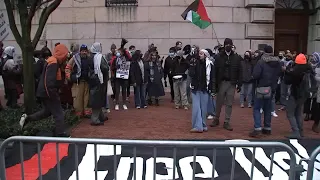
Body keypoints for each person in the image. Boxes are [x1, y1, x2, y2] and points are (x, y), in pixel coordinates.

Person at [19, 44, 70, 137]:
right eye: (65, 54)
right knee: (58, 113)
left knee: (47, 111)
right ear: (62, 54)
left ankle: (27, 118)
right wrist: (54, 95)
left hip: (44, 92)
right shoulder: (53, 63)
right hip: (48, 92)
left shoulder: (53, 61)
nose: (66, 56)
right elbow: (49, 81)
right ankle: (60, 134)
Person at [210, 38, 242, 131]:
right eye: (226, 44)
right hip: (221, 82)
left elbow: (240, 71)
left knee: (229, 103)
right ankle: (216, 118)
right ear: (224, 46)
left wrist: (239, 84)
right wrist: (214, 85)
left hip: (231, 83)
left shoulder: (236, 57)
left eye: (229, 44)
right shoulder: (219, 57)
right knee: (219, 102)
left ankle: (227, 121)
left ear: (232, 46)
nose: (228, 46)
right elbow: (215, 71)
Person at [249, 45, 281, 137]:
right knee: (268, 108)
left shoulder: (261, 62)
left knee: (257, 108)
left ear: (264, 52)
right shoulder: (277, 62)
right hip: (272, 87)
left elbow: (256, 74)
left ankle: (257, 128)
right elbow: (279, 73)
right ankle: (267, 128)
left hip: (261, 87)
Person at [284, 53, 313, 139]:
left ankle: (295, 131)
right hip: (304, 94)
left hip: (295, 94)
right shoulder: (308, 70)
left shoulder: (296, 71)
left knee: (290, 113)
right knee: (298, 113)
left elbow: (287, 81)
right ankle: (300, 131)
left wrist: (287, 71)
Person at [189, 49, 215, 133]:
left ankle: (203, 125)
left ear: (205, 55)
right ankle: (198, 126)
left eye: (201, 54)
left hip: (205, 89)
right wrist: (192, 66)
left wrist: (212, 89)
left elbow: (212, 78)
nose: (199, 55)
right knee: (196, 108)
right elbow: (191, 74)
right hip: (195, 88)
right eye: (199, 53)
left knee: (204, 109)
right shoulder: (194, 63)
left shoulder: (210, 64)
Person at [65, 44, 92, 117]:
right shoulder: (74, 58)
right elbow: (67, 68)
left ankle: (87, 112)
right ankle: (79, 113)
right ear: (80, 51)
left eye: (85, 51)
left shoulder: (89, 58)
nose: (84, 52)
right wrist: (71, 77)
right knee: (78, 99)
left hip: (87, 82)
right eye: (82, 51)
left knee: (87, 98)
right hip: (78, 82)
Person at [88, 42, 109, 126]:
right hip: (99, 80)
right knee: (97, 99)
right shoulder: (99, 57)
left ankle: (101, 116)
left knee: (98, 98)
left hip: (93, 80)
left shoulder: (90, 56)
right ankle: (95, 119)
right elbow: (104, 67)